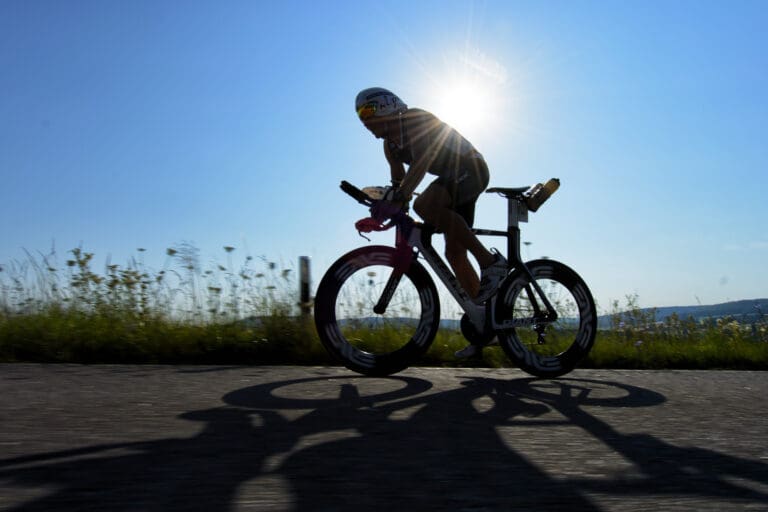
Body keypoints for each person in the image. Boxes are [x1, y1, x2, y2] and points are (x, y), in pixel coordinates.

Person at [355, 87, 507, 357]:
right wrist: (386, 201)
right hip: (452, 181)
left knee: (424, 205)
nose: (363, 120)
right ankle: (484, 324)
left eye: (367, 111)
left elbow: (422, 161)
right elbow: (399, 180)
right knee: (455, 253)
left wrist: (400, 198)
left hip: (470, 169)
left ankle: (490, 263)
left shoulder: (414, 118)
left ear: (388, 106)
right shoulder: (389, 146)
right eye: (359, 115)